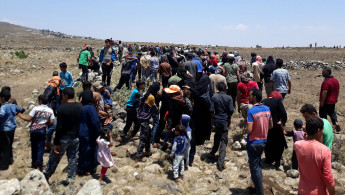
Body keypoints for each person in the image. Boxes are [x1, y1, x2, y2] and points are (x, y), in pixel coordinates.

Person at [44, 87, 83, 185]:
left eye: (62, 96)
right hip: (75, 138)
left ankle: (45, 176)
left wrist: (56, 142)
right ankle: (71, 180)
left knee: (54, 159)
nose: (62, 98)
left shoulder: (61, 108)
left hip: (63, 138)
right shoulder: (80, 106)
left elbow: (59, 127)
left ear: (66, 96)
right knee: (72, 159)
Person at [294, 116, 335, 195]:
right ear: (318, 131)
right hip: (319, 192)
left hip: (302, 190)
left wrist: (306, 138)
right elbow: (328, 177)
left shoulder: (297, 145)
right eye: (322, 130)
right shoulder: (325, 150)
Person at [243, 88, 273, 195]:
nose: (249, 97)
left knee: (254, 167)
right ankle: (257, 186)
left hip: (253, 142)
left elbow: (250, 129)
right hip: (263, 140)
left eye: (250, 95)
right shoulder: (267, 109)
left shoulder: (251, 111)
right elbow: (271, 125)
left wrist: (244, 131)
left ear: (255, 97)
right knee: (258, 164)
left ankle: (260, 191)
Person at [17, 95, 54, 171]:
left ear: (40, 101)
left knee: (34, 147)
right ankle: (39, 165)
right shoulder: (50, 110)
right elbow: (51, 122)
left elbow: (28, 119)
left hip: (34, 130)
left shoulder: (35, 109)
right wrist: (45, 123)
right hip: (42, 130)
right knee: (40, 148)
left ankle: (34, 162)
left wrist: (21, 116)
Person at [209, 82, 234, 171]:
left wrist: (213, 118)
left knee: (217, 135)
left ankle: (213, 152)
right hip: (224, 120)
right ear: (225, 89)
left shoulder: (214, 97)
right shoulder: (229, 98)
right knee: (224, 141)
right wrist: (229, 119)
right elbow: (231, 110)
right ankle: (220, 163)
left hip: (217, 120)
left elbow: (211, 110)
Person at [0, 90, 25, 170]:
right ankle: (10, 160)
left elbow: (1, 114)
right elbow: (22, 109)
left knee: (4, 146)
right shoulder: (13, 105)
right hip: (12, 128)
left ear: (3, 98)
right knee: (10, 144)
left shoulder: (3, 107)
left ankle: (4, 165)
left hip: (5, 129)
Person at [262, 91, 287, 168]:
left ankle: (268, 160)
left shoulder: (263, 101)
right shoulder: (277, 101)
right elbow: (284, 114)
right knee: (278, 143)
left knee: (268, 143)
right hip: (276, 125)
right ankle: (277, 160)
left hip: (265, 126)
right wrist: (283, 122)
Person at [77, 89, 100, 175]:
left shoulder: (80, 107)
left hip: (80, 132)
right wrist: (99, 131)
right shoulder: (91, 108)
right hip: (90, 133)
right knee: (92, 150)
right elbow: (95, 122)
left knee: (82, 150)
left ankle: (81, 168)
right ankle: (91, 168)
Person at [136, 94, 158, 161]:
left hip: (141, 120)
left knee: (148, 134)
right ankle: (139, 156)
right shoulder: (149, 106)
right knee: (143, 137)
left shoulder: (143, 101)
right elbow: (156, 110)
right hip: (144, 121)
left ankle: (147, 150)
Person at [319, 66, 341, 132]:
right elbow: (338, 90)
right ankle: (336, 123)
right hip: (333, 101)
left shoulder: (326, 81)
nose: (322, 73)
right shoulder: (336, 80)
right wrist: (336, 98)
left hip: (326, 102)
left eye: (323, 72)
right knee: (332, 113)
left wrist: (322, 102)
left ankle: (326, 128)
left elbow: (324, 92)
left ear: (327, 73)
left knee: (323, 116)